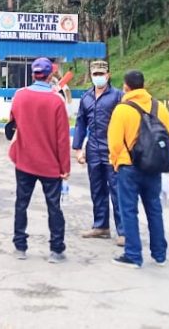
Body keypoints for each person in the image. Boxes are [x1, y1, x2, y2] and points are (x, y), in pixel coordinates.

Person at [107, 70, 169, 268]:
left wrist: (117, 162)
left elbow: (115, 143)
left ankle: (133, 255)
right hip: (153, 167)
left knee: (128, 210)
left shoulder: (122, 109)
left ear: (126, 86)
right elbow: (168, 136)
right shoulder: (159, 107)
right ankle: (159, 254)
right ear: (143, 85)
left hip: (129, 167)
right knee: (154, 208)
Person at [7, 58, 71, 263]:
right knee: (54, 207)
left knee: (21, 203)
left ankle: (20, 246)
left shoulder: (19, 96)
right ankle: (56, 250)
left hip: (24, 160)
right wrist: (65, 168)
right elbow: (62, 139)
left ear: (33, 74)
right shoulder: (56, 101)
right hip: (50, 164)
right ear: (50, 75)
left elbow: (12, 124)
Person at [72, 60, 125, 243]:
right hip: (93, 149)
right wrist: (78, 148)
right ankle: (101, 226)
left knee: (117, 190)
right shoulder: (86, 97)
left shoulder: (118, 96)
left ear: (108, 75)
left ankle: (123, 231)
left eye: (101, 74)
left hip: (114, 149)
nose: (98, 77)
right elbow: (80, 123)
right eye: (95, 74)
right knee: (97, 189)